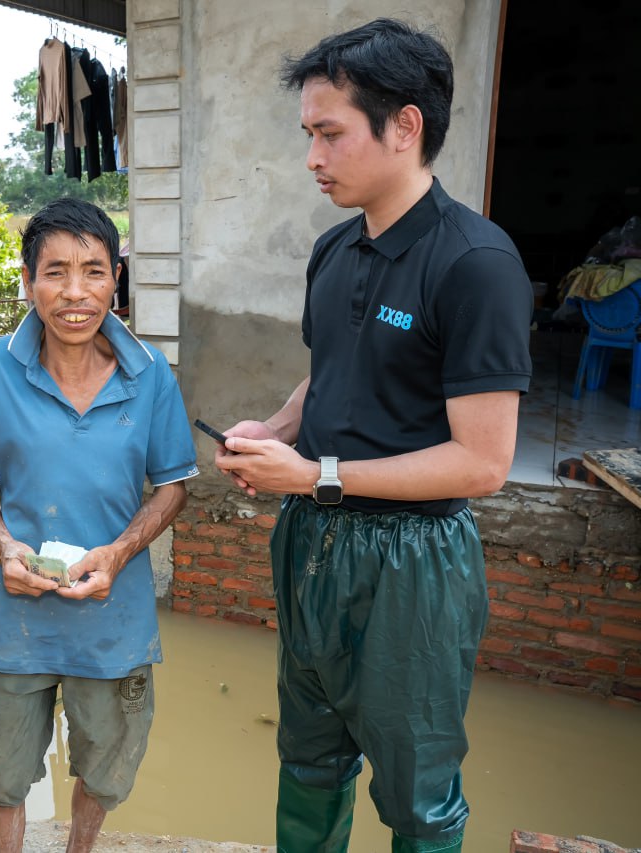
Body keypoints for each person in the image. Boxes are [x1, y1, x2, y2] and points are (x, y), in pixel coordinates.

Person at [214, 19, 533, 853]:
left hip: (412, 563)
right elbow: (331, 371)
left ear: (404, 126)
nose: (312, 158)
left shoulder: (476, 264)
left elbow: (484, 461)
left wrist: (314, 474)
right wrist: (273, 430)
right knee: (308, 757)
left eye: (330, 134)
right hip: (313, 542)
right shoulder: (334, 250)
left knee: (417, 792)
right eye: (309, 135)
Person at [0, 197, 198, 853]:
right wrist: (5, 544)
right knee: (3, 774)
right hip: (15, 618)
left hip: (114, 621)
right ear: (28, 280)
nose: (75, 293)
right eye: (55, 272)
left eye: (93, 271)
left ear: (116, 278)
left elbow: (172, 486)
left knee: (104, 769)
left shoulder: (151, 375)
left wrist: (119, 551)